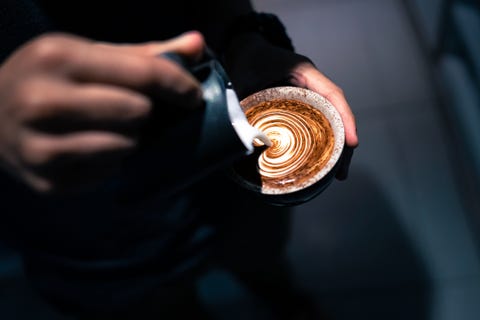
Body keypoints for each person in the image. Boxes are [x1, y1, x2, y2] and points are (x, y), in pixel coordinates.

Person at [0, 0, 358, 319]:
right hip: (80, 220)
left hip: (221, 141)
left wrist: (241, 34)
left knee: (260, 255)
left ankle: (279, 295)